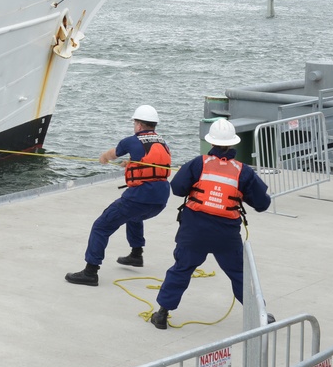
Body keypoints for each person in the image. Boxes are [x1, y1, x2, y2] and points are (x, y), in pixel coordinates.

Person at [148, 119, 271, 329]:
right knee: (239, 274)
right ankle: (261, 315)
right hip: (226, 235)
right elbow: (262, 203)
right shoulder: (243, 171)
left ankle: (162, 314)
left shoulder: (199, 163)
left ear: (210, 142)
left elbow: (177, 188)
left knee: (181, 269)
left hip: (194, 230)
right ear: (233, 144)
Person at [65, 105, 171, 287]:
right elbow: (151, 162)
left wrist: (103, 157)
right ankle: (136, 254)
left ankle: (90, 272)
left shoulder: (131, 141)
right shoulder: (162, 142)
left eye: (135, 123)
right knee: (134, 217)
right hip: (160, 198)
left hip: (140, 196)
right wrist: (131, 164)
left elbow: (111, 154)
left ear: (138, 125)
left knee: (101, 226)